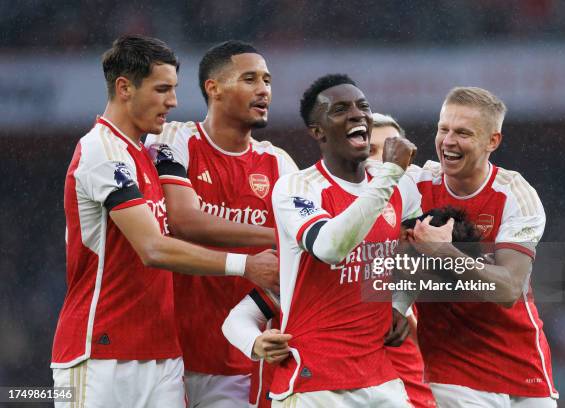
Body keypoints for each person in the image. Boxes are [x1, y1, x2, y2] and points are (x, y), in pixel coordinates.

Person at [51, 35, 277, 408]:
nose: (172, 101)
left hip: (163, 354)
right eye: (162, 89)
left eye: (173, 89)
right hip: (100, 351)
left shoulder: (147, 154)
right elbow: (153, 247)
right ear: (124, 88)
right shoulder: (101, 151)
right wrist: (246, 264)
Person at [144, 40, 298, 408]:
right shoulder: (175, 139)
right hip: (167, 354)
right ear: (213, 88)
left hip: (238, 363)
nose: (264, 90)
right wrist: (276, 235)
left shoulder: (278, 164)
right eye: (249, 79)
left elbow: (307, 247)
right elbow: (184, 220)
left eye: (267, 80)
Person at [268, 74, 425, 407]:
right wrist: (388, 174)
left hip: (380, 375)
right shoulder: (297, 188)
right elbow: (330, 247)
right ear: (318, 131)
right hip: (315, 382)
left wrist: (400, 302)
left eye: (363, 106)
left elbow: (417, 247)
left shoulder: (400, 186)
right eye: (340, 110)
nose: (357, 114)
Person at [407, 87, 558, 407]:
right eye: (443, 129)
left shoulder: (515, 195)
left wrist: (445, 254)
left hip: (522, 365)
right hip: (453, 368)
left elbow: (509, 289)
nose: (448, 141)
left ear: (492, 141)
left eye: (462, 132)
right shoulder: (413, 186)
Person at [369, 113, 437, 408]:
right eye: (371, 151)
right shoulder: (324, 249)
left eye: (393, 155)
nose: (382, 164)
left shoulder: (437, 250)